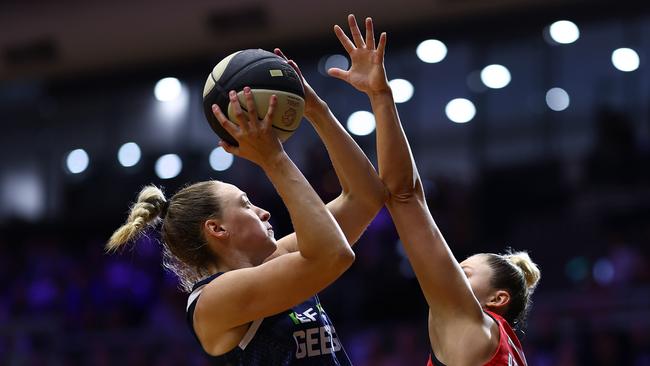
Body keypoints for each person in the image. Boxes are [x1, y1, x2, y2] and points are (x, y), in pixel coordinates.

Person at [106, 54, 388, 364]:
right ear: (217, 228)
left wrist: (316, 110)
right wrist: (272, 158)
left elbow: (366, 197)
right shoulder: (212, 302)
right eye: (245, 204)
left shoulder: (278, 259)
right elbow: (334, 254)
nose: (264, 212)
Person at [329, 14, 541, 365]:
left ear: (497, 299)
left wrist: (381, 95)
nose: (449, 271)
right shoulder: (502, 343)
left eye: (465, 272)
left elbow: (405, 196)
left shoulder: (473, 324)